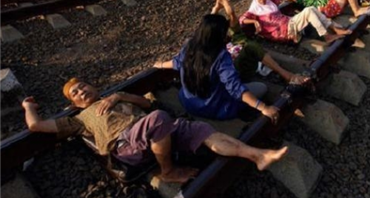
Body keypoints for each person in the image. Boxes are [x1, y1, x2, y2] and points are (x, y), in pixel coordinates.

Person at [22, 79, 288, 184]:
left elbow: (147, 103)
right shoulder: (79, 118)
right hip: (127, 147)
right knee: (159, 117)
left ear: (93, 86)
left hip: (156, 131)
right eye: (75, 93)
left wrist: (120, 96)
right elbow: (36, 126)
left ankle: (257, 155)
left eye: (83, 86)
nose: (82, 91)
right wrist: (27, 106)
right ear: (74, 103)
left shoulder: (115, 97)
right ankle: (168, 170)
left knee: (203, 130)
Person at [155, 15, 280, 122]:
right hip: (215, 108)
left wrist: (160, 65)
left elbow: (177, 63)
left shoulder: (189, 45)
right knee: (262, 87)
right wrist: (263, 107)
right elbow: (235, 88)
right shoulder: (220, 55)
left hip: (188, 102)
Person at [211, 0, 309, 85]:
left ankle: (269, 68)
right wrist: (224, 3)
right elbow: (235, 17)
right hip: (234, 71)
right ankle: (285, 75)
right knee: (251, 46)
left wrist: (217, 7)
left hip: (229, 66)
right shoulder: (220, 47)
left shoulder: (208, 43)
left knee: (249, 45)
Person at [240, 0, 351, 44]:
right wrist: (254, 21)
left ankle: (334, 29)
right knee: (309, 10)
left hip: (290, 23)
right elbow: (242, 19)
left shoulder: (271, 3)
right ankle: (327, 34)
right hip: (284, 32)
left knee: (311, 9)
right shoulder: (254, 10)